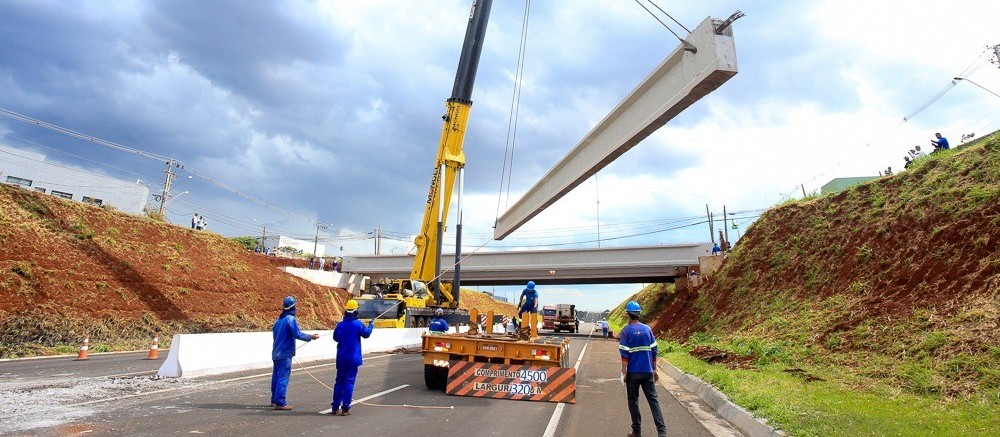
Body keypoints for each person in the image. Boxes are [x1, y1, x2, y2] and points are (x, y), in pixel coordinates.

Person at [619, 300, 666, 437]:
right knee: (653, 401)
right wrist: (655, 369)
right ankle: (662, 433)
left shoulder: (626, 332)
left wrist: (624, 372)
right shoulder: (647, 330)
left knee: (633, 401)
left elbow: (624, 355)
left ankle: (637, 431)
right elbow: (654, 351)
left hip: (633, 373)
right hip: (647, 372)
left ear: (628, 314)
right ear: (639, 314)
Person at [271, 296, 319, 411]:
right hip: (285, 354)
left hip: (276, 353)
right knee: (283, 378)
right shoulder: (290, 319)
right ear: (293, 307)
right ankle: (280, 402)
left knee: (276, 378)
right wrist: (311, 337)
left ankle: (274, 399)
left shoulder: (277, 321)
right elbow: (297, 334)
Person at [331, 299, 374, 416]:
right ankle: (345, 408)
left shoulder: (340, 325)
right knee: (349, 383)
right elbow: (366, 334)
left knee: (339, 382)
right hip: (352, 359)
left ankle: (335, 407)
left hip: (341, 358)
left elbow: (335, 338)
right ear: (356, 311)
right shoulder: (358, 324)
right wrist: (371, 325)